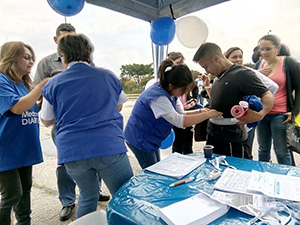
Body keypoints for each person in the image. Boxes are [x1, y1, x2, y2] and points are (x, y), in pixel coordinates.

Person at [40, 33, 133, 219]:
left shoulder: (53, 83)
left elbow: (46, 120)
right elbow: (120, 105)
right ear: (89, 52)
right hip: (108, 147)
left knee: (87, 195)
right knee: (125, 196)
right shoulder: (107, 75)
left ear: (63, 56)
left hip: (73, 152)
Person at [34, 23, 109, 221]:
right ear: (56, 40)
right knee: (66, 163)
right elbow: (38, 92)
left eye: (72, 37)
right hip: (62, 124)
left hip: (89, 122)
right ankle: (67, 201)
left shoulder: (88, 64)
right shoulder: (46, 63)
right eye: (64, 38)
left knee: (95, 157)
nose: (69, 42)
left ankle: (93, 189)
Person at [124, 58, 222, 169]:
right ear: (171, 86)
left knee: (156, 166)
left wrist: (202, 111)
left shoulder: (168, 91)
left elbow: (180, 113)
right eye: (183, 89)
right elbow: (180, 121)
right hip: (140, 138)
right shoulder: (158, 97)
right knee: (152, 171)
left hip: (151, 137)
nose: (185, 93)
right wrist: (208, 115)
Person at [193, 42, 274, 159]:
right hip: (214, 135)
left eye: (206, 66)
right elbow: (219, 102)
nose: (207, 71)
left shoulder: (242, 74)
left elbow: (267, 95)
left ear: (216, 59)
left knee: (236, 172)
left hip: (232, 138)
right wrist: (207, 87)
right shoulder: (217, 77)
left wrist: (260, 114)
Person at [0, 41, 49, 225]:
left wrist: (41, 101)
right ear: (11, 58)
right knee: (12, 194)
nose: (31, 62)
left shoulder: (22, 83)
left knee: (25, 190)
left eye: (32, 59)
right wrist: (40, 87)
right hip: (6, 149)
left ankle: (24, 222)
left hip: (24, 148)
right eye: (26, 57)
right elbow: (17, 107)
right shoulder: (1, 80)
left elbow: (29, 109)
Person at [224, 46, 278, 158]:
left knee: (246, 152)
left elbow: (272, 87)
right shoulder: (224, 75)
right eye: (234, 57)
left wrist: (260, 109)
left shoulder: (248, 72)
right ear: (226, 59)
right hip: (230, 121)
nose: (238, 59)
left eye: (240, 56)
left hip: (247, 121)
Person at [254, 34, 300, 165]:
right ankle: (261, 178)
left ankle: (288, 180)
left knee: (281, 151)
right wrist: (257, 74)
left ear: (277, 48)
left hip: (281, 115)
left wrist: (295, 112)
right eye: (261, 49)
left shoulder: (288, 62)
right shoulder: (259, 64)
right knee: (263, 150)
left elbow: (299, 89)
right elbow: (249, 85)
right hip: (262, 114)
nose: (264, 52)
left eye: (268, 49)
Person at [167, 52, 200, 155]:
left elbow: (194, 87)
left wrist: (194, 100)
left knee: (187, 144)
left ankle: (188, 163)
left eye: (182, 61)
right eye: (178, 62)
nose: (180, 64)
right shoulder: (168, 78)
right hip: (176, 114)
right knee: (177, 145)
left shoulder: (185, 73)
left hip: (186, 110)